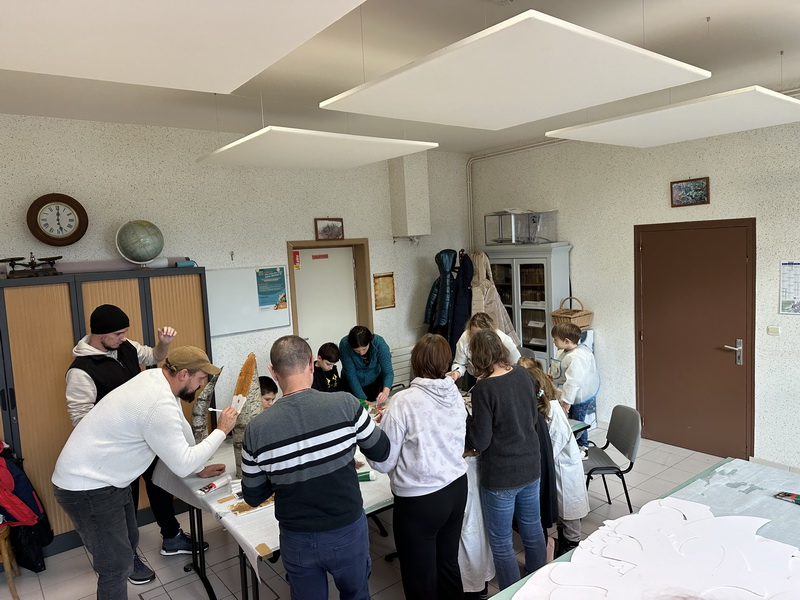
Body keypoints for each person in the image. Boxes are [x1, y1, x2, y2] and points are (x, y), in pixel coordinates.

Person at [52, 346, 238, 599]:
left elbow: (180, 426)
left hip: (110, 481)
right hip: (87, 488)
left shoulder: (156, 378)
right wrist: (221, 431)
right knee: (115, 566)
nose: (201, 385)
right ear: (183, 374)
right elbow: (181, 464)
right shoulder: (157, 403)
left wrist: (199, 468)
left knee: (130, 539)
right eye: (200, 378)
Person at [241, 335, 391, 600]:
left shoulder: (255, 430)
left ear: (273, 372)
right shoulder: (346, 404)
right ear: (312, 364)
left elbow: (253, 496)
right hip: (346, 528)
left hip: (297, 537)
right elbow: (381, 450)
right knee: (356, 595)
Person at [64, 304, 203, 585]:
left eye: (125, 332)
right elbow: (81, 420)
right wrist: (121, 422)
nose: (124, 338)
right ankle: (129, 559)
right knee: (123, 504)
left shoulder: (125, 346)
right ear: (100, 334)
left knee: (160, 483)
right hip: (117, 451)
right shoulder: (80, 371)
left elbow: (153, 357)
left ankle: (171, 537)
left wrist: (164, 344)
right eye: (118, 334)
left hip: (147, 438)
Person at [368, 333, 468, 600]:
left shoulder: (403, 401)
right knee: (447, 565)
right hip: (457, 487)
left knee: (419, 578)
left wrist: (372, 438)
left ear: (415, 362)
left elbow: (384, 461)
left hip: (421, 500)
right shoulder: (454, 393)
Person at [465, 330, 546, 590]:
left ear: (477, 358)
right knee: (532, 529)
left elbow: (480, 441)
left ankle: (511, 592)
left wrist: (468, 421)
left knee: (501, 542)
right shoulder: (523, 374)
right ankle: (539, 586)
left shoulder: (483, 388)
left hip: (501, 475)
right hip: (530, 465)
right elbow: (530, 418)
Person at [520, 357, 589, 557]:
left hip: (565, 471)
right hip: (557, 469)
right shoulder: (547, 407)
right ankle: (563, 546)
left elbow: (551, 449)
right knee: (562, 516)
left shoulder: (554, 412)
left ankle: (571, 549)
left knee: (570, 519)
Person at [550, 322, 600, 453]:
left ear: (566, 341)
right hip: (572, 392)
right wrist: (554, 377)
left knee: (578, 422)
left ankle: (583, 447)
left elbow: (573, 382)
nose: (554, 342)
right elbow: (563, 370)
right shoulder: (565, 351)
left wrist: (567, 401)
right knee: (573, 419)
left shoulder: (577, 357)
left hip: (580, 395)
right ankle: (573, 444)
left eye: (555, 339)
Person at [448, 312, 521, 382]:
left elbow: (518, 364)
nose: (476, 339)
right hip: (475, 375)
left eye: (480, 336)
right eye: (473, 335)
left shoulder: (504, 340)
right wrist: (456, 372)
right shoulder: (465, 337)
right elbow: (460, 363)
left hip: (500, 377)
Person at [338, 325, 394, 403]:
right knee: (356, 407)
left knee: (374, 406)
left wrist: (385, 391)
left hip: (374, 380)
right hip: (352, 383)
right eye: (357, 351)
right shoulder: (345, 344)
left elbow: (388, 371)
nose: (361, 353)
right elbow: (351, 375)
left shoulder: (379, 343)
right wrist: (362, 399)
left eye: (364, 349)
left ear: (369, 342)